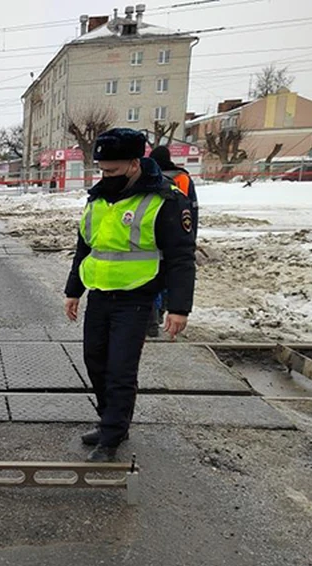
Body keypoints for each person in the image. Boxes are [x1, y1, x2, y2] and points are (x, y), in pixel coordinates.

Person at [64, 128, 197, 462]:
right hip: (99, 296)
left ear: (135, 164)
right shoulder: (98, 198)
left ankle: (110, 437)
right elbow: (86, 247)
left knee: (120, 369)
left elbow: (182, 257)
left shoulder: (164, 199)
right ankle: (112, 421)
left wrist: (178, 308)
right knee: (95, 362)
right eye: (102, 170)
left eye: (113, 170)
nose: (105, 176)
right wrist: (73, 291)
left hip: (137, 299)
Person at [146, 145, 199, 338]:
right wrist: (191, 235)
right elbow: (192, 208)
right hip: (178, 233)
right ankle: (163, 312)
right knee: (171, 275)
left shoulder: (149, 177)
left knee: (152, 277)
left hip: (152, 234)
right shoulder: (182, 178)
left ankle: (154, 318)